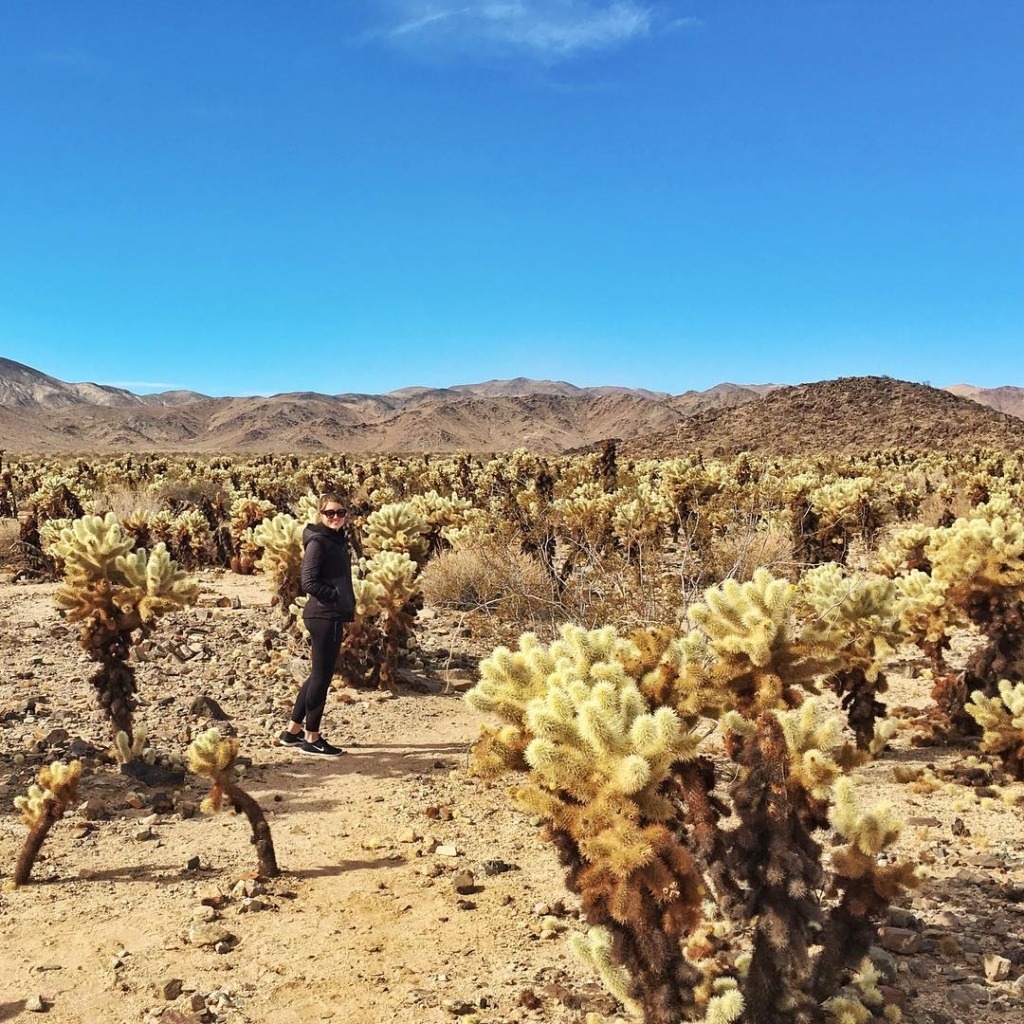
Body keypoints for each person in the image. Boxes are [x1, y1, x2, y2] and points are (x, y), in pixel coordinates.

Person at [279, 492, 356, 757]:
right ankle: (312, 737)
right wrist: (335, 597)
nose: (335, 517)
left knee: (316, 675)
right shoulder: (319, 542)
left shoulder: (336, 539)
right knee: (322, 678)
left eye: (340, 513)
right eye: (330, 513)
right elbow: (308, 581)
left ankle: (292, 731)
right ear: (320, 514)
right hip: (325, 615)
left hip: (328, 614)